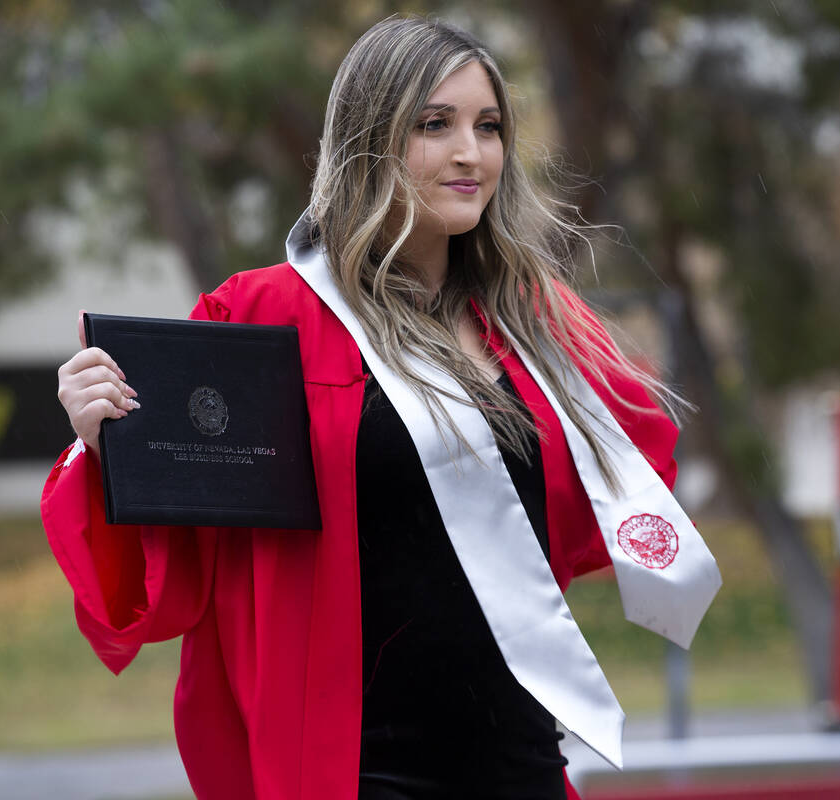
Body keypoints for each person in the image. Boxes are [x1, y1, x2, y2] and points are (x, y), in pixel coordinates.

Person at [44, 15, 719, 800]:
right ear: (371, 138)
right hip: (350, 767)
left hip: (521, 763)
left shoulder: (534, 322)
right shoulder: (262, 316)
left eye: (489, 126)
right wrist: (101, 443)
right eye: (435, 124)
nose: (472, 153)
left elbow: (608, 490)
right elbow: (179, 542)